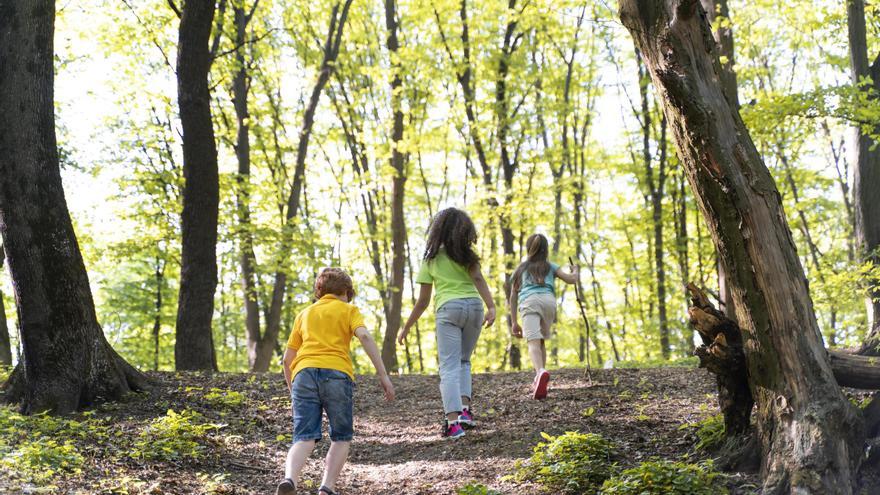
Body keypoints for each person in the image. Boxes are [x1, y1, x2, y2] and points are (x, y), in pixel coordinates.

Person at [276, 268, 395, 495]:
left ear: (319, 292)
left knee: (304, 437)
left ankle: (290, 479)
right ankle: (326, 488)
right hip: (337, 374)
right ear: (346, 292)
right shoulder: (349, 310)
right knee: (341, 436)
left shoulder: (304, 314)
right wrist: (383, 375)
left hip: (303, 373)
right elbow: (365, 336)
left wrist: (293, 392)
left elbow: (287, 359)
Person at [397, 207, 495, 439]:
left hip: (449, 309)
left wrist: (407, 326)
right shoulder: (467, 256)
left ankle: (453, 423)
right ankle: (465, 412)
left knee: (449, 366)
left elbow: (423, 301)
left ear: (437, 231)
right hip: (473, 307)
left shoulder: (431, 259)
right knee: (464, 361)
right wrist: (491, 306)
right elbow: (478, 279)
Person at [508, 234, 579, 400]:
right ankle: (541, 377)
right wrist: (575, 270)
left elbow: (513, 296)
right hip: (549, 302)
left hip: (529, 302)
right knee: (540, 341)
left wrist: (514, 322)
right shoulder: (551, 266)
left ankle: (540, 372)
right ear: (546, 249)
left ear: (528, 248)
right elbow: (571, 279)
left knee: (532, 342)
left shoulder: (521, 268)